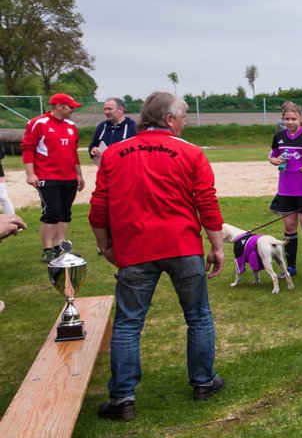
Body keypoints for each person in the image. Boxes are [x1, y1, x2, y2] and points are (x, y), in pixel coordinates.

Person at [90, 92, 225, 421]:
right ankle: (203, 382)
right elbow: (206, 202)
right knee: (198, 317)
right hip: (183, 247)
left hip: (136, 249)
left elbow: (99, 207)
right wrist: (217, 246)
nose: (185, 122)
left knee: (128, 325)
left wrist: (105, 245)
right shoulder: (191, 152)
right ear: (169, 120)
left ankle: (123, 398)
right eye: (183, 116)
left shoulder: (115, 154)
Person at [22, 92, 85, 262]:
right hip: (47, 176)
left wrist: (79, 174)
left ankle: (61, 247)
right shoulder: (38, 123)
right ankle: (48, 249)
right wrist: (30, 174)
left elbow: (73, 152)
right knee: (52, 212)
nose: (73, 109)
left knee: (65, 213)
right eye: (70, 106)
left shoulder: (71, 126)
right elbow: (28, 148)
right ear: (59, 106)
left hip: (69, 177)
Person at [268, 102, 302, 277]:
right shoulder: (279, 136)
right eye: (286, 119)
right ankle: (290, 267)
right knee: (289, 227)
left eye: (293, 119)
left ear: (301, 118)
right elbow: (272, 156)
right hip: (285, 189)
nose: (290, 122)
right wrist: (276, 161)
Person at [88, 97, 137, 163]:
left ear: (121, 109)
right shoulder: (102, 126)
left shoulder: (133, 127)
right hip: (105, 169)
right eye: (105, 109)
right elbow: (93, 144)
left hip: (125, 168)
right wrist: (93, 150)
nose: (106, 112)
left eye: (109, 109)